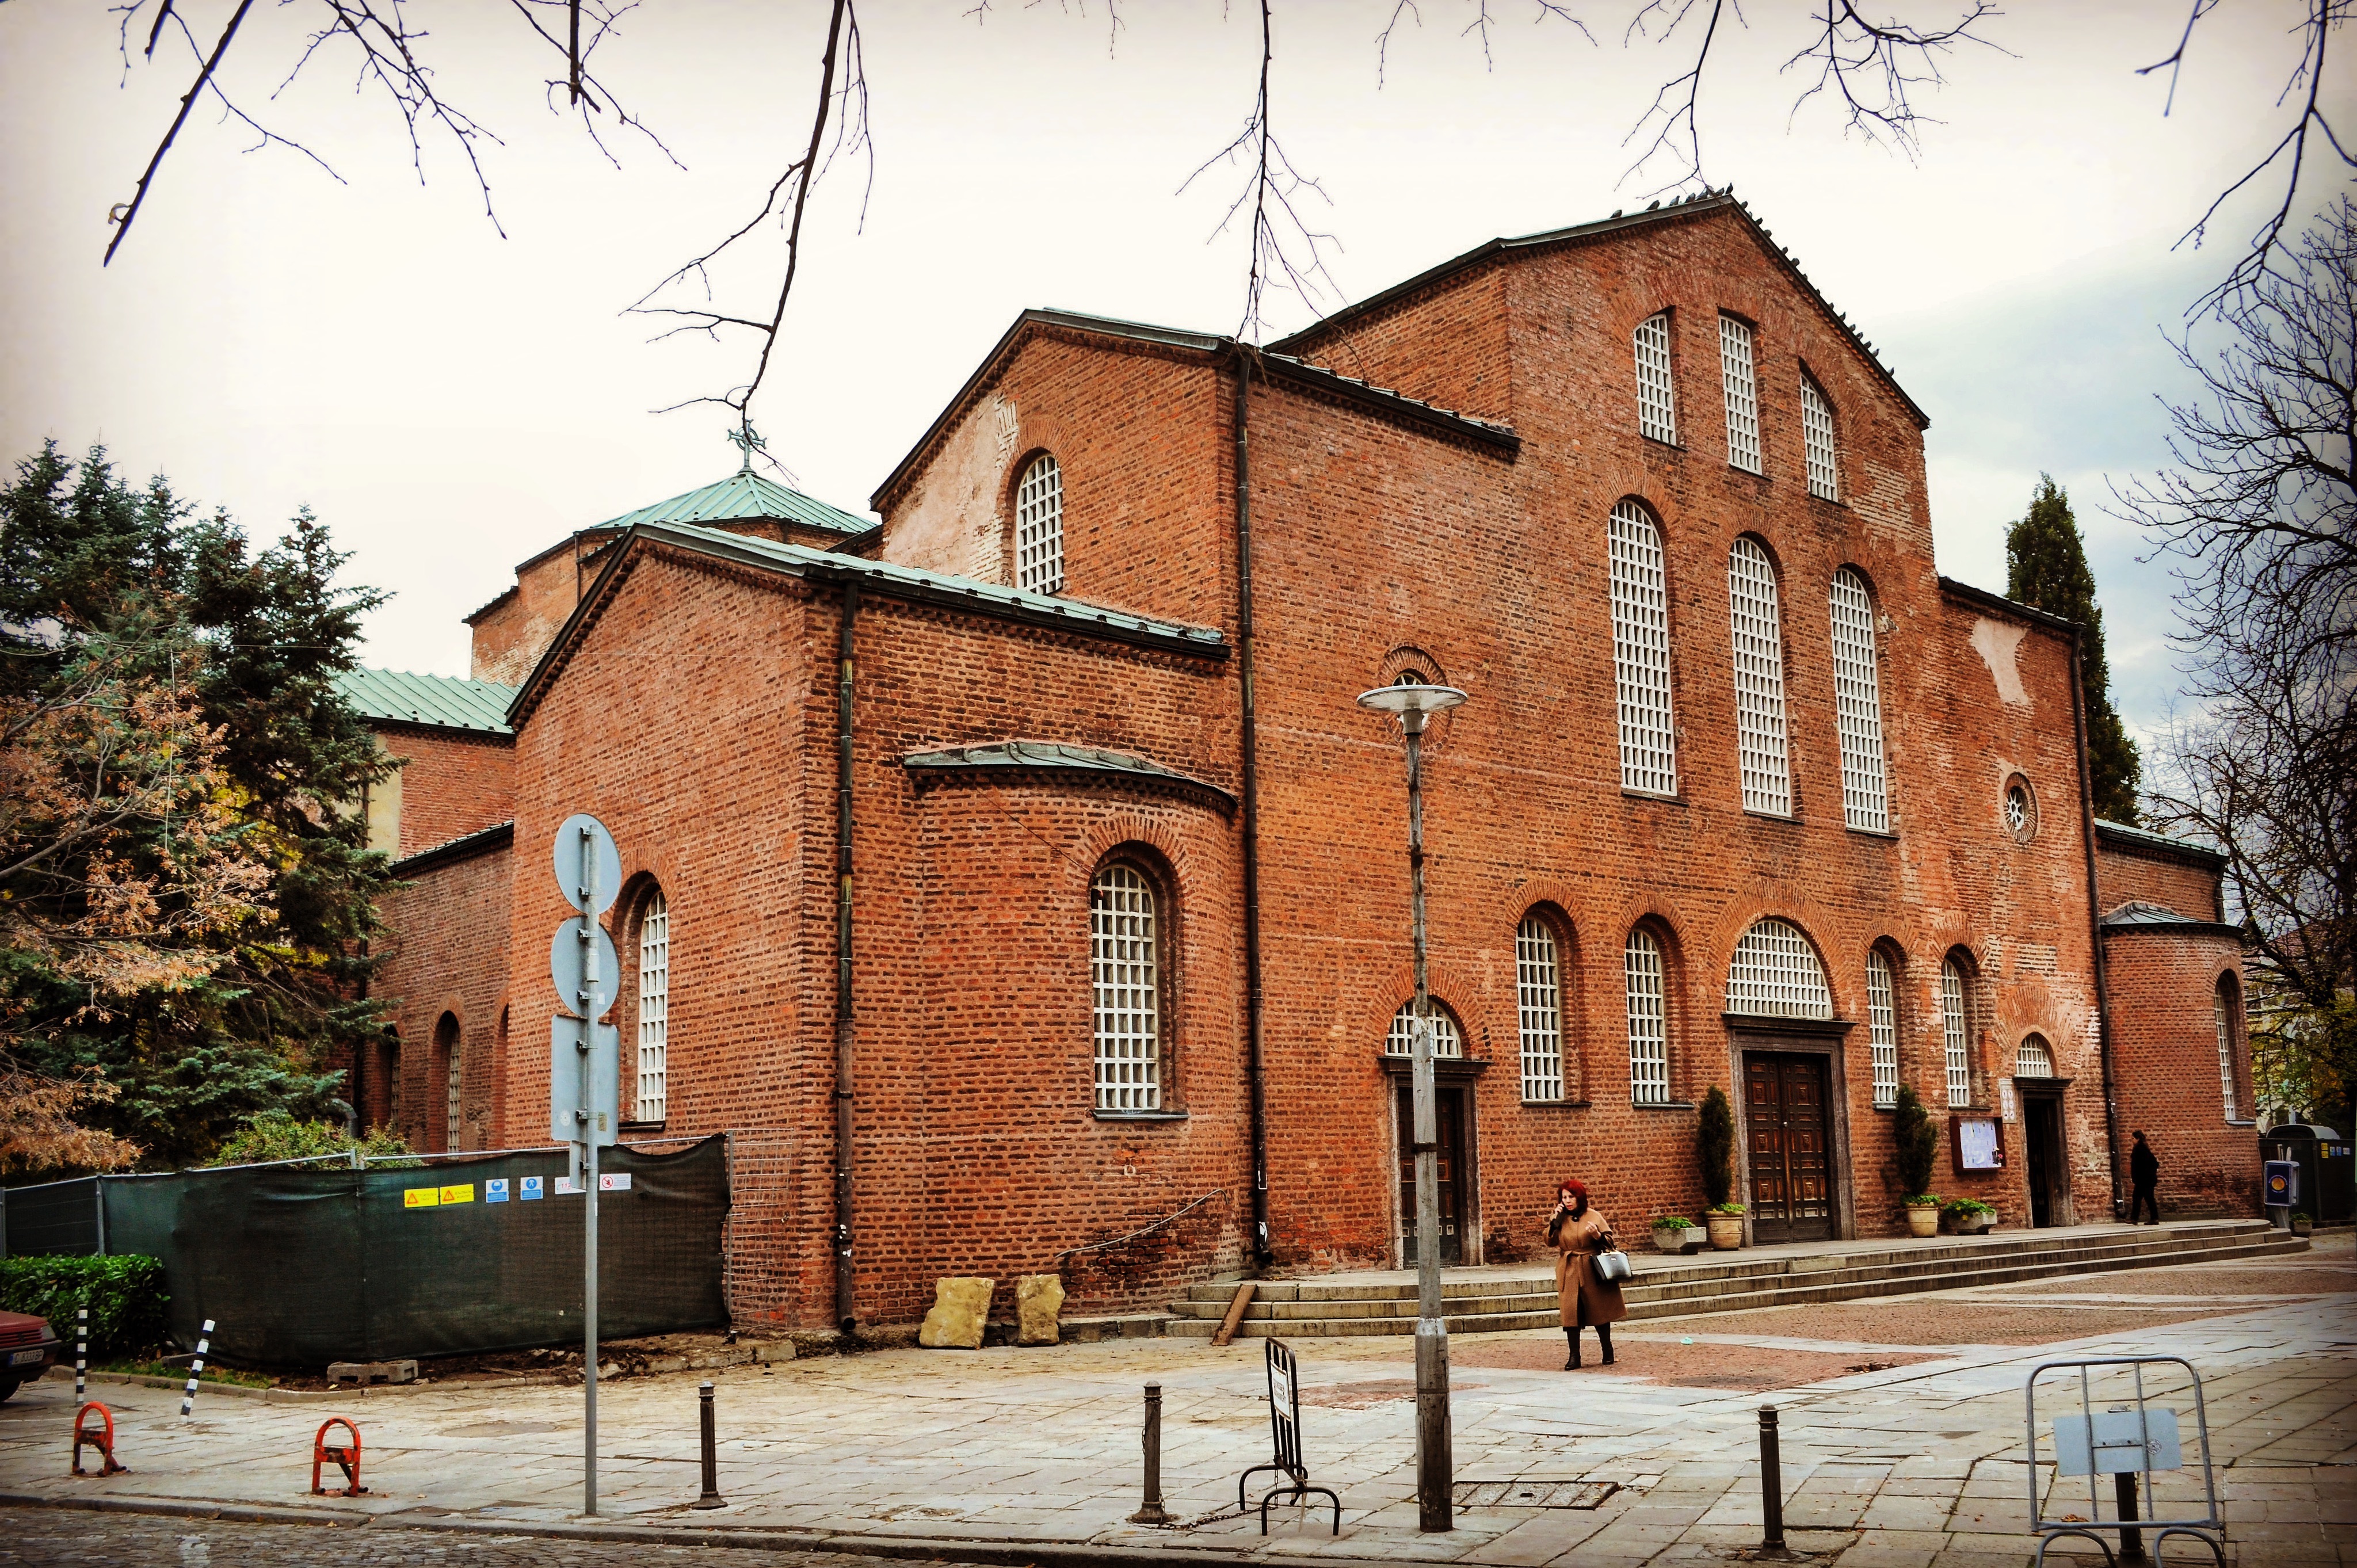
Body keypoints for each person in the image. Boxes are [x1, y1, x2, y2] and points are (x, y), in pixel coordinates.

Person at [1546, 1178, 1626, 1369]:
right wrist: (1555, 1222)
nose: (1567, 1201)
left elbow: (1609, 1242)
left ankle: (1607, 1349)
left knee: (1599, 1311)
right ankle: (1574, 1356)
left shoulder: (1593, 1216)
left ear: (1579, 1197)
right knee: (1571, 1315)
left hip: (1591, 1268)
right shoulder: (1560, 1218)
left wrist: (1597, 1235)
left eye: (1571, 1197)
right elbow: (1550, 1241)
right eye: (1564, 1197)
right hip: (1570, 1269)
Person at [2129, 1130, 2160, 1224]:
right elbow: (2154, 1163)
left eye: (2133, 1139)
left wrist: (2142, 1175)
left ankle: (2135, 1218)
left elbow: (2151, 1164)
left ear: (2138, 1139)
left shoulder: (2139, 1150)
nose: (2132, 1141)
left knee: (2138, 1197)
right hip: (2146, 1179)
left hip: (2143, 1180)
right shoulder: (2144, 1149)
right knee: (2148, 1198)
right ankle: (2154, 1218)